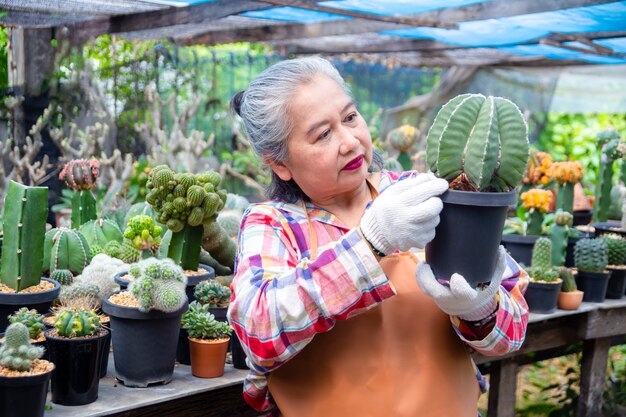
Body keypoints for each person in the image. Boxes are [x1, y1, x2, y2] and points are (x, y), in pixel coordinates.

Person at [227, 56, 529, 417]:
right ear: (279, 163)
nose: (350, 142)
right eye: (323, 134)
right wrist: (371, 243)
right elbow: (258, 331)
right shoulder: (272, 224)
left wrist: (479, 310)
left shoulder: (421, 195)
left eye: (351, 117)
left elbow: (513, 332)